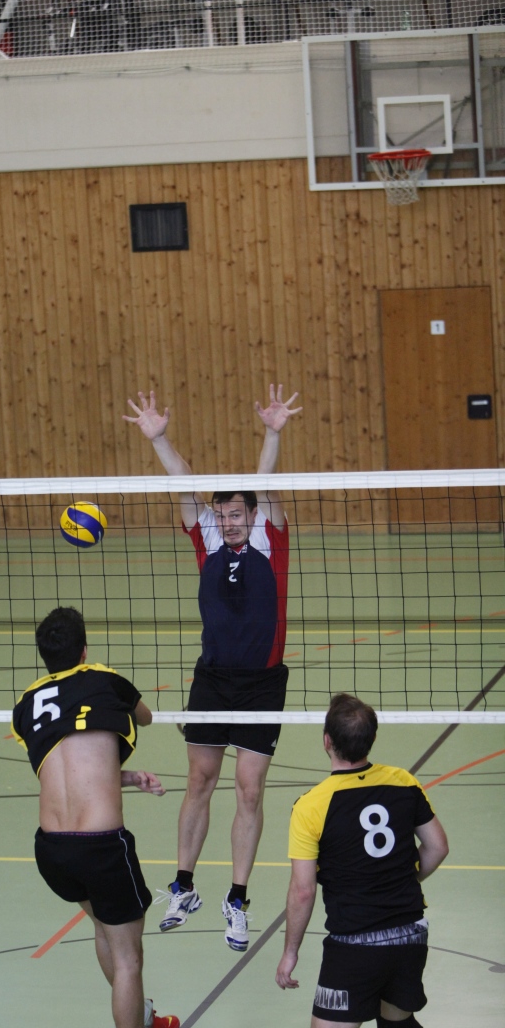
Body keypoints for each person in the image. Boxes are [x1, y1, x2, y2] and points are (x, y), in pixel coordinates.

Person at [124, 384, 301, 950]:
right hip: (212, 679)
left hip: (262, 685)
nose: (228, 522)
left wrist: (272, 433)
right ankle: (184, 887)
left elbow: (266, 483)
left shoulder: (271, 538)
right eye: (221, 514)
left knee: (248, 790)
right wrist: (160, 440)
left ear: (253, 513)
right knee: (199, 780)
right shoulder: (206, 537)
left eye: (236, 513)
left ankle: (237, 900)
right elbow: (183, 484)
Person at [275, 692, 468, 1028]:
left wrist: (289, 952)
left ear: (327, 741)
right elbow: (438, 846)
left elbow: (302, 890)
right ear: (371, 740)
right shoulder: (403, 782)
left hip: (355, 945)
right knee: (400, 1025)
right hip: (410, 933)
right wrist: (401, 881)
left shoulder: (312, 804)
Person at [12, 607, 178, 1028]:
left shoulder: (26, 705)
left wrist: (125, 778)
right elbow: (145, 718)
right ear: (84, 650)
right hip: (102, 848)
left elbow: (68, 767)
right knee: (128, 958)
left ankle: (143, 1019)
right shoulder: (107, 680)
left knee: (106, 930)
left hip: (51, 850)